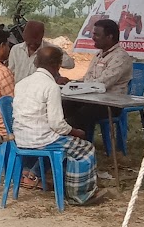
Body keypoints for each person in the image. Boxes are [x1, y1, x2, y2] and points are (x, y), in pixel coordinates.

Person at [12, 45, 98, 201]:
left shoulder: (21, 83)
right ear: (57, 65)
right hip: (43, 140)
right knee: (86, 149)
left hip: (21, 138)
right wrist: (75, 132)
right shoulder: (51, 86)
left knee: (70, 144)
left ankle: (66, 184)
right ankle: (79, 195)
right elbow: (57, 125)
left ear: (36, 63)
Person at [66, 18, 136, 139]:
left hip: (111, 103)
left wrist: (80, 86)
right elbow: (88, 78)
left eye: (97, 35)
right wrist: (72, 83)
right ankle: (66, 143)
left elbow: (102, 84)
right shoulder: (99, 54)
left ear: (109, 37)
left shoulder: (121, 57)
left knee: (82, 114)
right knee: (65, 104)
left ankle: (80, 144)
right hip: (91, 99)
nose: (93, 38)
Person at [8, 19, 74, 82]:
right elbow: (11, 72)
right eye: (29, 42)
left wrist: (54, 56)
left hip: (43, 90)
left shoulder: (50, 49)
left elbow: (71, 64)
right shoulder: (16, 50)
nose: (32, 45)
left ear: (41, 37)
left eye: (36, 42)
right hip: (20, 89)